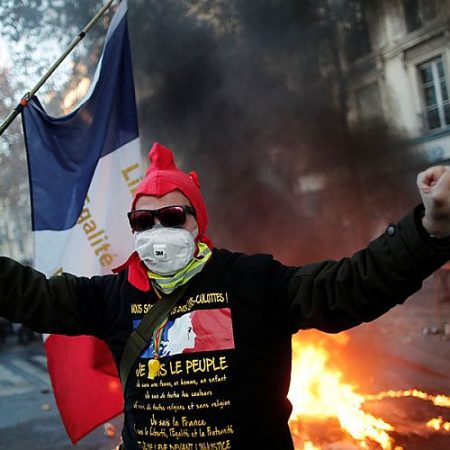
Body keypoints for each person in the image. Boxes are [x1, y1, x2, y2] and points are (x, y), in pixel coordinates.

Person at [1, 142, 450, 450]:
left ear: (197, 222)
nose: (157, 230)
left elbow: (347, 288)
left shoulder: (252, 280)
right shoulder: (114, 296)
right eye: (143, 221)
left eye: (172, 217)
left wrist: (429, 228)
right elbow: (34, 297)